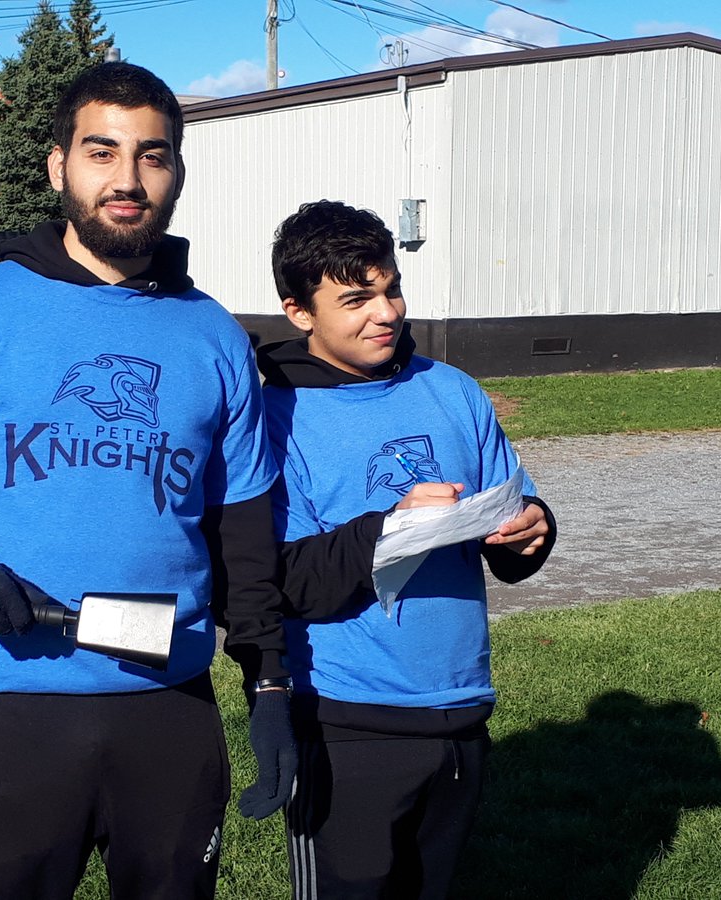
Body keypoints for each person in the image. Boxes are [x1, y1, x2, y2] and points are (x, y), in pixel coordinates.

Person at [0, 63, 295, 900]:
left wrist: (268, 681)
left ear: (178, 172)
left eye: (152, 156)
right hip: (18, 703)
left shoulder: (214, 336)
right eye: (102, 152)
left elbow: (242, 536)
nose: (127, 180)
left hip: (172, 707)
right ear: (58, 166)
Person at [257, 200, 557, 900]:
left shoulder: (451, 390)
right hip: (345, 723)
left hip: (463, 712)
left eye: (390, 288)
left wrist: (530, 530)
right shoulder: (275, 417)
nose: (385, 312)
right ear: (299, 312)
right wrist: (390, 526)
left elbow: (514, 511)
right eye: (356, 299)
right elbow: (282, 581)